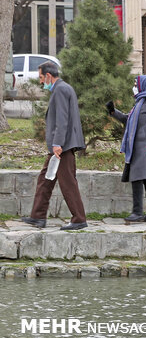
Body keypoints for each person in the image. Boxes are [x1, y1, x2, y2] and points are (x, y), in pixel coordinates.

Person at [21, 61, 88, 230]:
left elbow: (62, 120)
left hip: (62, 147)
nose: (41, 81)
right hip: (59, 147)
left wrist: (57, 144)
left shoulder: (60, 89)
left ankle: (79, 219)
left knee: (68, 183)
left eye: (41, 77)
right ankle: (38, 217)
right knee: (45, 179)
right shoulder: (61, 89)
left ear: (49, 76)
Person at [106, 75, 146, 224]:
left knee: (137, 176)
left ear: (144, 85)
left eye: (136, 84)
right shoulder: (141, 101)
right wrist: (113, 112)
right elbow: (129, 119)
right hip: (138, 145)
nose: (135, 86)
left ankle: (137, 212)